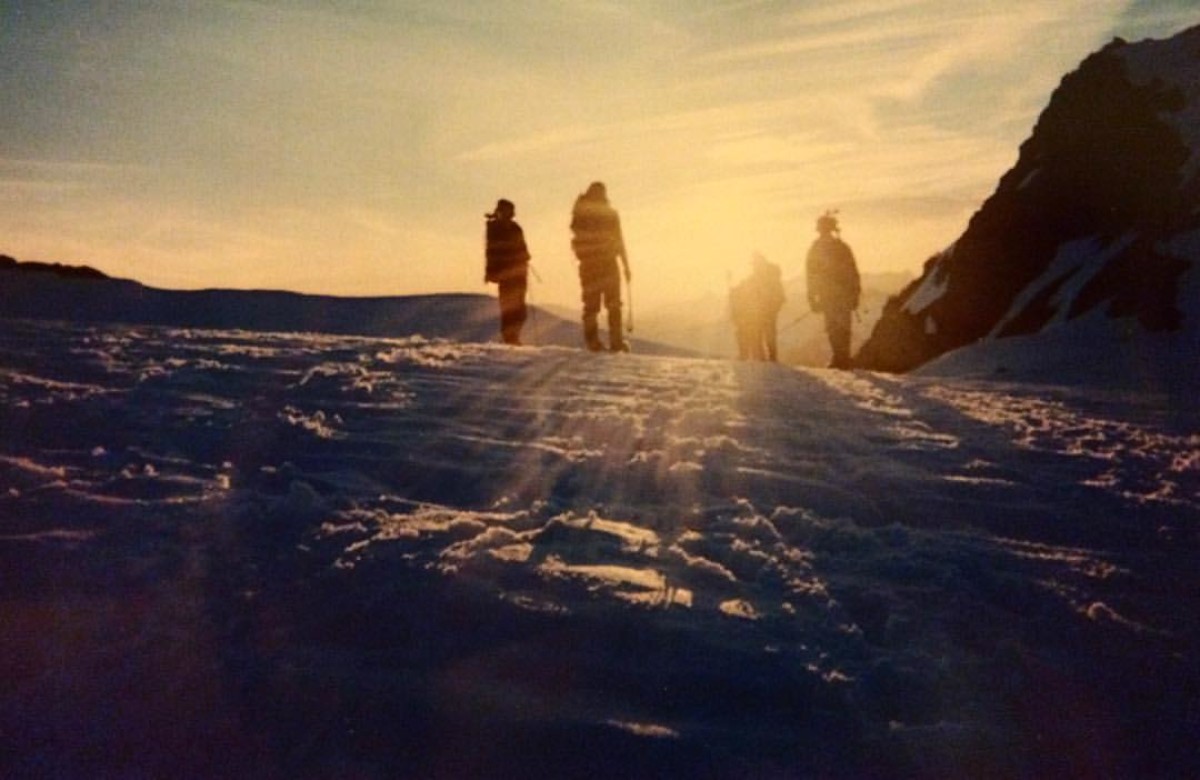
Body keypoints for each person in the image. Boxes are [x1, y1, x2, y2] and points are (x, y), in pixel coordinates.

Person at [570, 182, 631, 352]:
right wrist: (625, 265)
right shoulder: (610, 214)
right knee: (612, 304)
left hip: (589, 265)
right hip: (608, 263)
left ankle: (594, 342)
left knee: (592, 305)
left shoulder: (581, 214)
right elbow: (619, 241)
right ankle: (615, 342)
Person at [805, 211, 861, 369]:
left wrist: (812, 297)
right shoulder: (842, 247)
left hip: (827, 294)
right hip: (842, 294)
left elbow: (811, 275)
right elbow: (853, 272)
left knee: (832, 327)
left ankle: (839, 358)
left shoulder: (815, 248)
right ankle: (843, 358)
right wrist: (855, 294)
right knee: (842, 327)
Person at [484, 198, 531, 345]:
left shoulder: (513, 228)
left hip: (517, 272)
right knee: (509, 308)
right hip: (507, 273)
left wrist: (524, 257)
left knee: (519, 310)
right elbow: (491, 251)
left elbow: (522, 248)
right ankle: (510, 338)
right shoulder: (496, 229)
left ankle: (512, 337)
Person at [729, 252, 785, 361]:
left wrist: (735, 291)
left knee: (760, 333)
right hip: (768, 309)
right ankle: (768, 358)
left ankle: (763, 358)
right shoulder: (768, 275)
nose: (754, 266)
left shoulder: (764, 276)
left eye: (755, 264)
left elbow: (749, 287)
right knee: (766, 333)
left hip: (765, 309)